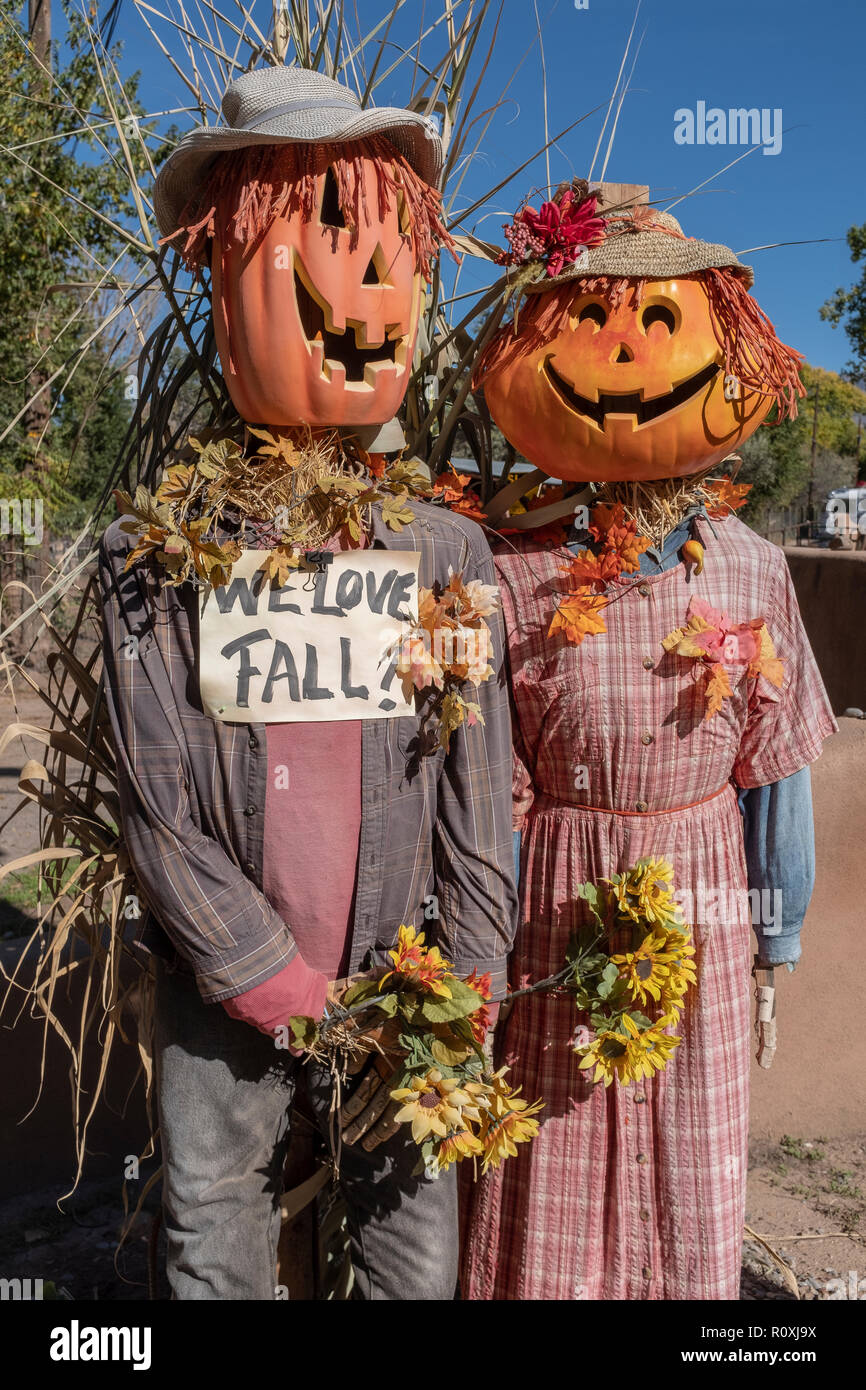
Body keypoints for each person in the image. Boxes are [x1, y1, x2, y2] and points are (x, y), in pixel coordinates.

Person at [100, 66, 516, 1301]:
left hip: (408, 972)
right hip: (227, 983)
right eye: (314, 235)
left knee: (409, 1244)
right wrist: (260, 972)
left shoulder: (441, 547)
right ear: (225, 282)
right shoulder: (162, 549)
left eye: (386, 246)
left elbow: (475, 782)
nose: (363, 283)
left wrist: (474, 965)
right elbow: (155, 792)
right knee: (212, 1237)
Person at [459, 188, 837, 1299]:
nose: (624, 349)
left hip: (700, 900)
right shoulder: (506, 567)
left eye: (657, 321)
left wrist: (775, 944)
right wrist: (481, 952)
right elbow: (483, 779)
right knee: (546, 1147)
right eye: (590, 318)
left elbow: (775, 779)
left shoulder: (749, 566)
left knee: (683, 1156)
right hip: (550, 899)